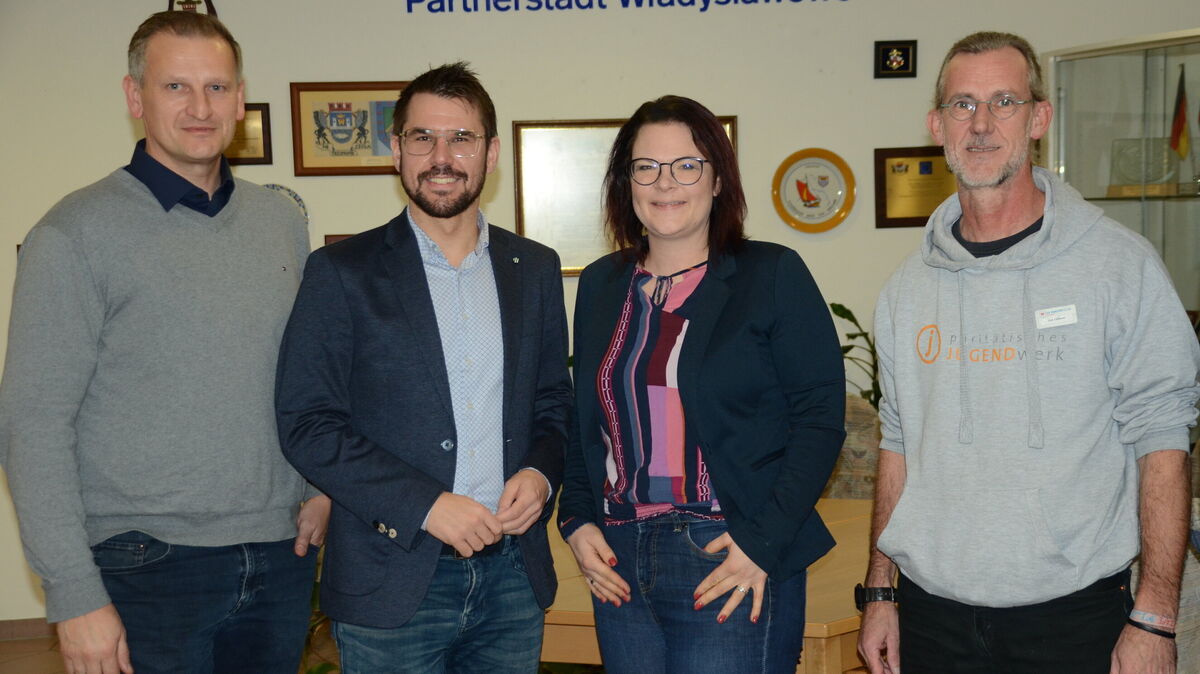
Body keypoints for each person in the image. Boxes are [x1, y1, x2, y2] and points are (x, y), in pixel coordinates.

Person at [857, 31, 1200, 674]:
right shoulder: (906, 289)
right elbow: (898, 444)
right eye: (962, 104)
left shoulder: (1119, 266)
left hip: (1074, 617)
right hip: (931, 618)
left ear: (1039, 118)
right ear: (937, 125)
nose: (981, 123)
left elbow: (1163, 439)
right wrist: (880, 592)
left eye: (1004, 101)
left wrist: (1155, 617)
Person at [0, 11, 329, 674]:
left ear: (239, 99)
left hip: (279, 555)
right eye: (176, 86)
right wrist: (72, 593)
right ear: (135, 97)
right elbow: (32, 422)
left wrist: (318, 487)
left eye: (216, 87)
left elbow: (304, 376)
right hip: (142, 564)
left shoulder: (281, 222)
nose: (200, 108)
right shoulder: (72, 234)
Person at [274, 62, 572, 673]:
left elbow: (553, 402)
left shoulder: (535, 268)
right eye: (422, 138)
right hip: (392, 581)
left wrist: (541, 473)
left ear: (491, 154)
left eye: (461, 138)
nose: (442, 157)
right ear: (397, 150)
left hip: (513, 580)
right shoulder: (341, 272)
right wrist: (426, 504)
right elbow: (308, 423)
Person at [557, 95, 846, 673]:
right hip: (620, 557)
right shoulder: (601, 284)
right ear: (626, 183)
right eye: (646, 167)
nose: (665, 182)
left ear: (718, 180)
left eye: (687, 165)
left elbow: (819, 420)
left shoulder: (771, 273)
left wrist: (762, 544)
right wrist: (577, 519)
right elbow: (585, 421)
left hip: (728, 551)